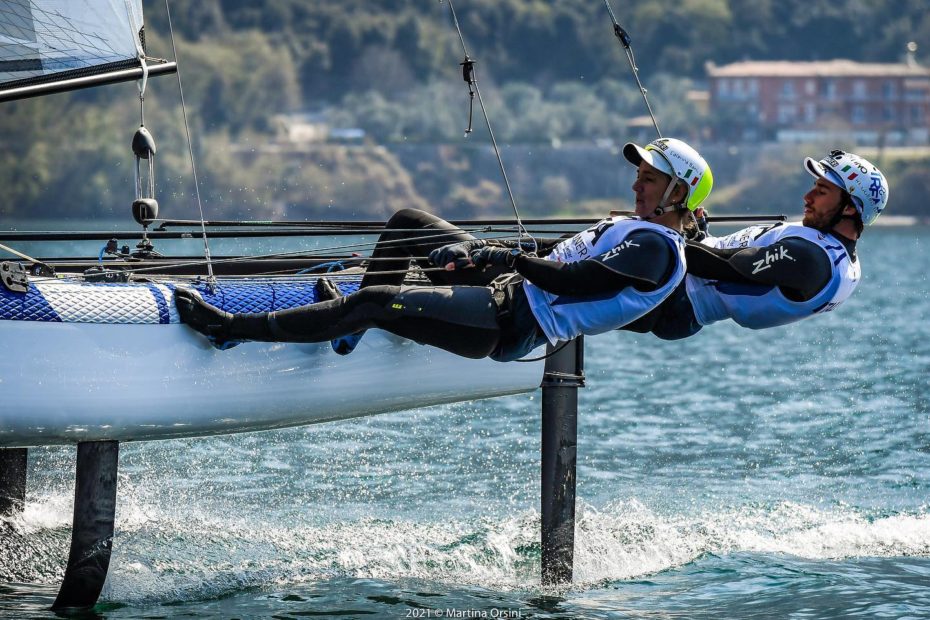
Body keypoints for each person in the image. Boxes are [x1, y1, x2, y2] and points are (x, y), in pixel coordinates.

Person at [175, 138, 714, 361]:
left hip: (513, 323)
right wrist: (486, 252)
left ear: (678, 193)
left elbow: (574, 282)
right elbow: (554, 252)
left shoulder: (657, 251)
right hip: (507, 288)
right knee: (409, 224)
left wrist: (500, 259)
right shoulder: (632, 228)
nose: (636, 185)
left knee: (377, 299)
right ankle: (349, 323)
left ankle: (232, 328)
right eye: (639, 174)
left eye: (648, 178)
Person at [625, 149, 889, 340]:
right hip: (681, 288)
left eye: (821, 192)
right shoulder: (834, 251)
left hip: (675, 302)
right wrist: (699, 234)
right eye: (814, 187)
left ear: (851, 209)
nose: (807, 197)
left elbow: (722, 265)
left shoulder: (812, 261)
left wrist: (668, 233)